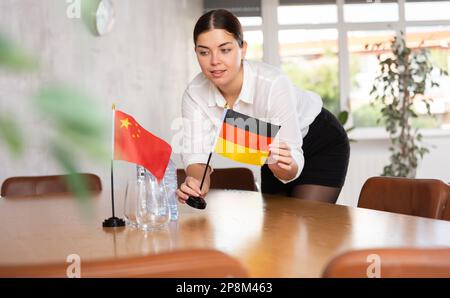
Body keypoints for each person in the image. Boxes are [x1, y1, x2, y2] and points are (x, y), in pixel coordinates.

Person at [176, 9, 349, 204]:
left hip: (318, 141)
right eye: (204, 52)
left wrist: (282, 166)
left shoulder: (273, 83)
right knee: (275, 226)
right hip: (270, 151)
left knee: (304, 221)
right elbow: (197, 156)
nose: (215, 61)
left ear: (243, 49)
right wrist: (195, 182)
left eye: (225, 50)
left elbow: (292, 156)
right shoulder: (194, 94)